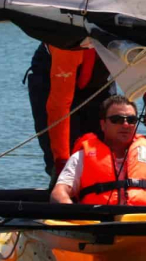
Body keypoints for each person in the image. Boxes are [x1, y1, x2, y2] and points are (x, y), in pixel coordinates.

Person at [50, 94, 146, 206]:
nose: (125, 125)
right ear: (103, 124)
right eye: (117, 119)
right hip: (97, 226)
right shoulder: (81, 158)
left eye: (131, 120)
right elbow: (59, 193)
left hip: (145, 226)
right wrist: (76, 216)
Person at [26, 42, 115, 181]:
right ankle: (61, 188)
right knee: (65, 160)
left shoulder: (125, 33)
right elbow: (59, 106)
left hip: (98, 79)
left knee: (106, 149)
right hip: (52, 78)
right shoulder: (67, 43)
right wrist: (61, 163)